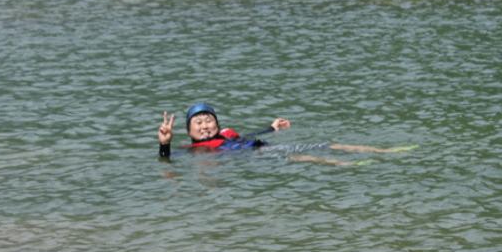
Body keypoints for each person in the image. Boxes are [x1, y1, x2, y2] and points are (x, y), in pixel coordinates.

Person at [157, 102, 413, 165]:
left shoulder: (226, 134)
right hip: (257, 157)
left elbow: (247, 134)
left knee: (329, 143)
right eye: (198, 123)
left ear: (217, 124)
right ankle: (344, 165)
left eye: (209, 120)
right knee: (295, 157)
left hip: (261, 146)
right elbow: (167, 160)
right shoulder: (192, 150)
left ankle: (383, 151)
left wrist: (272, 128)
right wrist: (164, 144)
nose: (205, 125)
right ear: (189, 131)